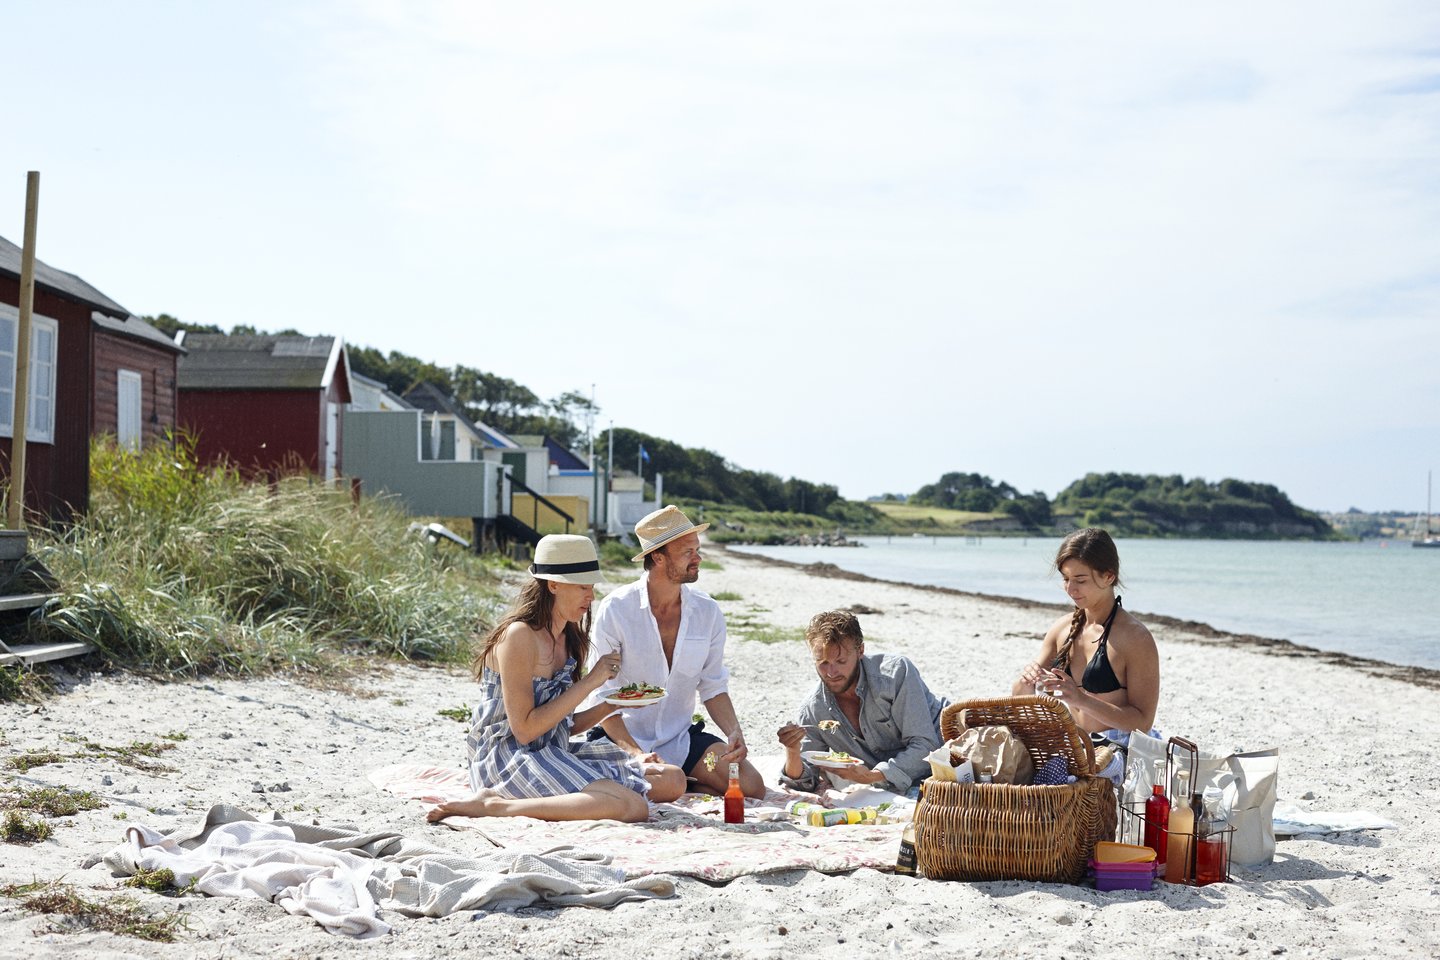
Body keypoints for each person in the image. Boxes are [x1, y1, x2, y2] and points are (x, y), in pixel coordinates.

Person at [428, 535, 686, 823]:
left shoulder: (569, 638)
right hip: (507, 759)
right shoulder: (519, 637)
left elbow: (560, 725)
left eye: (591, 588)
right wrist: (590, 682)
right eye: (582, 587)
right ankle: (496, 805)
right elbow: (525, 730)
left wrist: (612, 705)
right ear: (553, 585)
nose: (591, 597)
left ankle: (585, 796)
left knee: (672, 779)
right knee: (633, 807)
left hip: (550, 749)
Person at [582, 505, 766, 798]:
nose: (698, 559)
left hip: (681, 738)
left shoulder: (708, 612)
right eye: (687, 552)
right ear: (657, 556)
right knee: (671, 781)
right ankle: (678, 782)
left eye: (697, 550)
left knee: (750, 786)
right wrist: (635, 753)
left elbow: (713, 686)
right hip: (620, 739)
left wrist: (734, 732)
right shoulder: (617, 609)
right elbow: (600, 695)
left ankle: (686, 781)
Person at [776, 610, 948, 796]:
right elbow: (805, 782)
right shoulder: (813, 709)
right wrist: (792, 751)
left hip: (948, 747)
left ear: (861, 651)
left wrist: (873, 776)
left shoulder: (895, 674)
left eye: (841, 661)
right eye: (822, 662)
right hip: (891, 782)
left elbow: (925, 745)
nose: (831, 672)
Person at [1013, 527, 1160, 736]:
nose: (1071, 589)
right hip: (1073, 747)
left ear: (1109, 576)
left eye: (1081, 580)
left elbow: (1143, 722)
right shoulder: (1061, 629)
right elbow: (1019, 699)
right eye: (1066, 579)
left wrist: (1082, 700)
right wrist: (1026, 681)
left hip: (1116, 748)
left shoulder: (1134, 639)